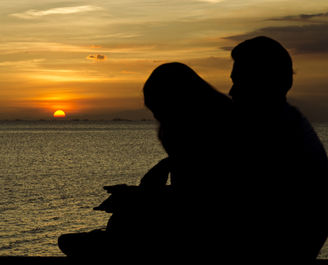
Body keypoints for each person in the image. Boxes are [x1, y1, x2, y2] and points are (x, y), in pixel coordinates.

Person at [58, 62, 236, 263]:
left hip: (204, 240)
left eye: (160, 112)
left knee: (111, 227)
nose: (159, 120)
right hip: (194, 228)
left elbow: (201, 205)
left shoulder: (217, 139)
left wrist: (139, 198)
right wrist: (139, 192)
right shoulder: (213, 132)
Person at [229, 36, 328, 262]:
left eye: (240, 81)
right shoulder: (285, 127)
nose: (232, 91)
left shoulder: (281, 141)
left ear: (264, 83)